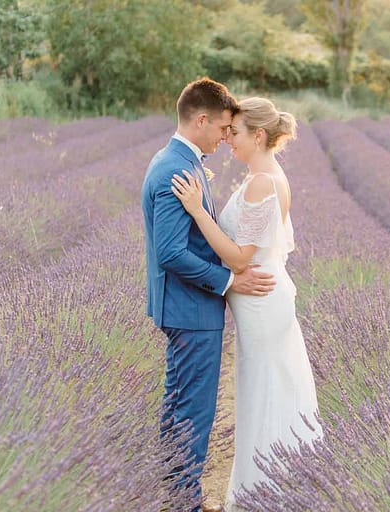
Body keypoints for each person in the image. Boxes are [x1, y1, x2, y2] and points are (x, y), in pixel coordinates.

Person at [170, 97, 321, 510]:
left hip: (261, 302)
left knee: (265, 393)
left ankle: (269, 495)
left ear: (258, 135)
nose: (228, 139)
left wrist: (198, 212)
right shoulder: (268, 174)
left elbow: (240, 257)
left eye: (234, 132)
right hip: (262, 297)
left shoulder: (262, 182)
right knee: (266, 391)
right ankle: (271, 491)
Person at [142, 78, 276, 512]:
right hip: (191, 311)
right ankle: (185, 504)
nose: (224, 137)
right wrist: (228, 281)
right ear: (201, 119)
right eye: (221, 128)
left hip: (188, 309)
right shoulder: (176, 169)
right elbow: (170, 252)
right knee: (193, 416)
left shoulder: (180, 161)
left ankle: (176, 497)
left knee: (179, 409)